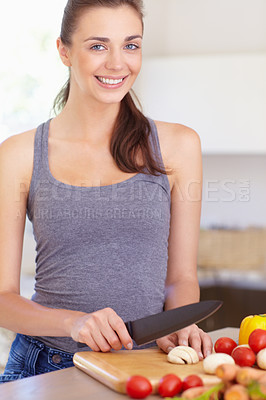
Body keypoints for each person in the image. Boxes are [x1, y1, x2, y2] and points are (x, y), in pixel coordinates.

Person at [0, 0, 212, 383]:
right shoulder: (19, 154)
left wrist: (178, 326)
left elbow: (181, 277)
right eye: (98, 46)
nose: (118, 63)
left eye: (131, 45)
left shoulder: (179, 145)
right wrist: (73, 323)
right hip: (44, 367)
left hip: (145, 366)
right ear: (64, 51)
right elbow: (2, 298)